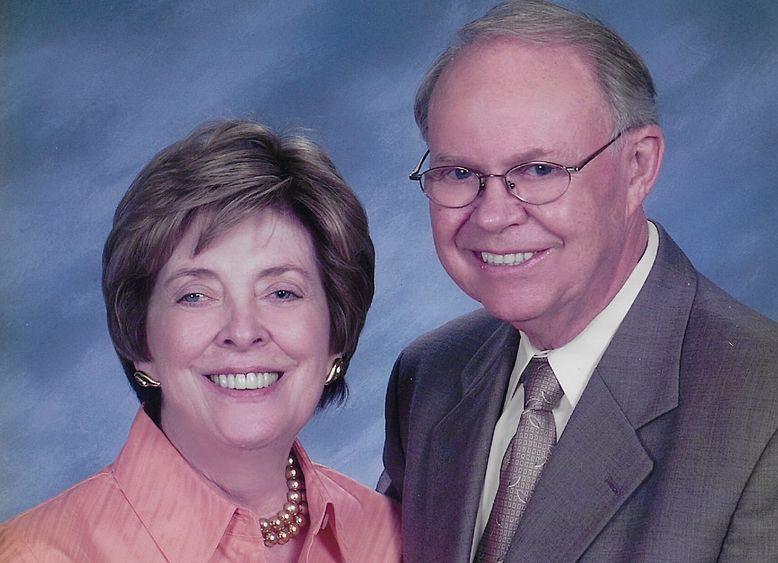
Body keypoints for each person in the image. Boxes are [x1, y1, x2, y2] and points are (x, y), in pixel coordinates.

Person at [378, 1, 778, 561]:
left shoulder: (763, 409)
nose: (493, 216)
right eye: (459, 173)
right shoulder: (427, 378)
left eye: (540, 170)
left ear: (638, 166)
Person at [0, 120, 401, 562]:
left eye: (282, 292)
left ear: (336, 334)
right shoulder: (35, 552)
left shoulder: (397, 540)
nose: (243, 331)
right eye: (196, 295)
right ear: (141, 342)